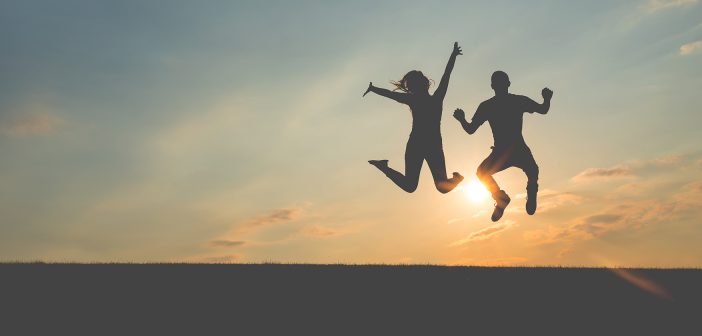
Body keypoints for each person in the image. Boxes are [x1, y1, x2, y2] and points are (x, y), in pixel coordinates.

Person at [363, 42, 465, 194]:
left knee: (442, 187)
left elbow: (446, 75)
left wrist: (453, 56)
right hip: (417, 144)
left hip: (433, 145)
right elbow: (390, 94)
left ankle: (457, 178)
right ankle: (384, 167)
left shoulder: (435, 98)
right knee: (410, 186)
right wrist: (373, 89)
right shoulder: (415, 99)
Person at [453, 71, 553, 221]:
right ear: (507, 84)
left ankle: (508, 196)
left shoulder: (493, 105)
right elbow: (543, 109)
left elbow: (470, 129)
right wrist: (547, 99)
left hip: (507, 151)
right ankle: (505, 197)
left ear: (494, 86)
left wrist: (462, 119)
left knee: (483, 173)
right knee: (530, 171)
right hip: (511, 150)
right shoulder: (511, 102)